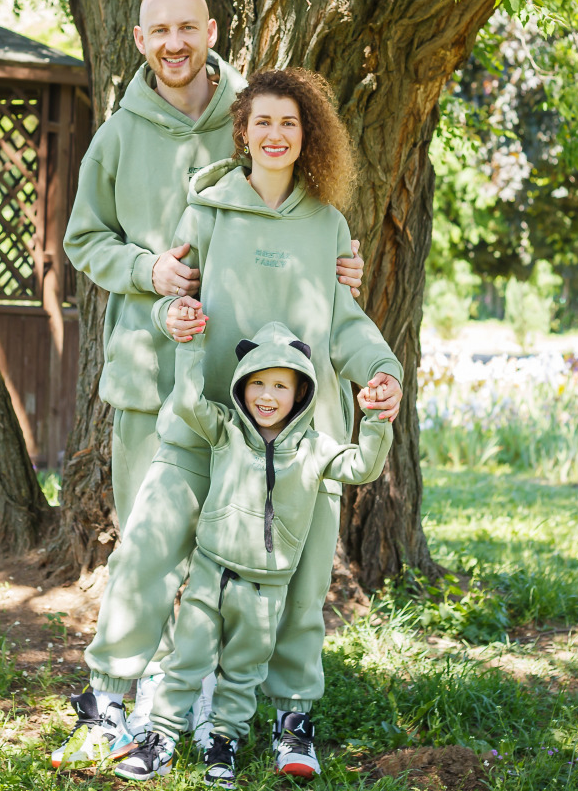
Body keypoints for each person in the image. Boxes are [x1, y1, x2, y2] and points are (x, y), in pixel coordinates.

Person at [57, 0, 365, 766]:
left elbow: (294, 214)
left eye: (186, 27)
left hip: (253, 385)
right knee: (152, 542)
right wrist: (146, 269)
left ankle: (210, 706)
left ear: (211, 32)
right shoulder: (118, 136)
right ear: (137, 38)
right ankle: (141, 705)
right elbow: (83, 240)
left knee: (239, 551)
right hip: (149, 371)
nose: (173, 42)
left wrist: (334, 270)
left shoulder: (254, 117)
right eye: (159, 30)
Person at [110, 322, 395, 787]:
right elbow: (186, 402)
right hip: (210, 573)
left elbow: (362, 467)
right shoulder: (226, 430)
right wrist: (191, 346)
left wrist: (377, 420)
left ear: (301, 392)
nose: (267, 395)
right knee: (186, 661)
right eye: (257, 383)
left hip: (267, 587)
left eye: (280, 385)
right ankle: (159, 739)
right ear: (242, 387)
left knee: (242, 674)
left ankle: (223, 746)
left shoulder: (313, 448)